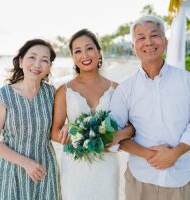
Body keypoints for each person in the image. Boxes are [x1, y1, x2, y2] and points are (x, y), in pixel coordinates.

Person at [110, 15, 190, 200]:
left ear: (165, 40)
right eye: (141, 38)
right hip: (140, 178)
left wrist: (174, 154)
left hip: (179, 176)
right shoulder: (125, 89)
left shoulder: (188, 81)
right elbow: (115, 135)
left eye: (154, 35)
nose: (148, 42)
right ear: (134, 47)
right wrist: (149, 155)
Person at [51, 29, 134, 200]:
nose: (84, 55)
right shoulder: (64, 91)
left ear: (98, 51)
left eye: (89, 48)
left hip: (107, 166)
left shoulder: (117, 89)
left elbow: (132, 126)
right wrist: (73, 133)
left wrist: (119, 135)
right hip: (75, 167)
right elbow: (54, 132)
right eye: (78, 51)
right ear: (73, 57)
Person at [0, 39, 61, 200]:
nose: (37, 64)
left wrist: (68, 128)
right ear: (21, 61)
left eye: (44, 60)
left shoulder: (52, 94)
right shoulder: (4, 95)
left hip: (44, 171)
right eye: (32, 57)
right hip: (11, 172)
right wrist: (26, 163)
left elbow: (58, 128)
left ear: (49, 68)